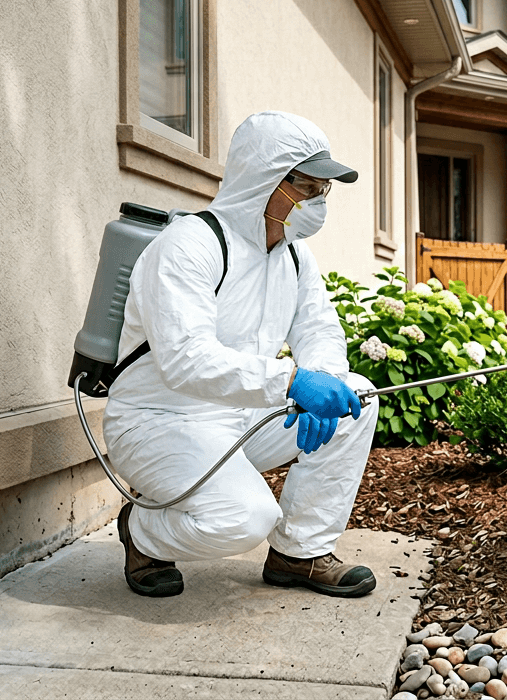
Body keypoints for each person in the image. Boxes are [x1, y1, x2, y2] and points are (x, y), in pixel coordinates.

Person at [102, 111, 380, 599]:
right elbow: (186, 358)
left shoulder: (293, 255)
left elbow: (319, 329)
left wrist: (322, 378)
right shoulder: (190, 245)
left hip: (239, 416)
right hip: (159, 422)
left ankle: (299, 552)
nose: (317, 201)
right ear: (264, 181)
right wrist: (292, 383)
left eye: (323, 190)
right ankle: (143, 532)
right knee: (246, 518)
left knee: (356, 396)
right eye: (307, 187)